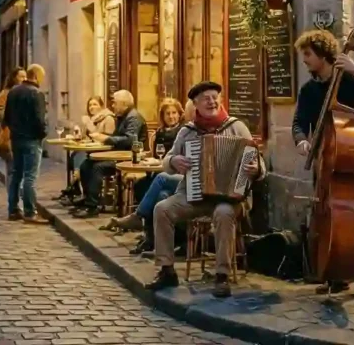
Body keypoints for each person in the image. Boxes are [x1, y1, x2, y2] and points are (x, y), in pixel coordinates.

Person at [291, 28, 354, 302]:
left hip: (350, 160)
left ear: (323, 54)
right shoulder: (310, 89)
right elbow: (299, 123)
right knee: (327, 219)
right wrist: (301, 141)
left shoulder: (349, 80)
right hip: (324, 161)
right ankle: (336, 275)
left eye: (308, 54)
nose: (305, 60)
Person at [146, 81, 264, 298]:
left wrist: (255, 169)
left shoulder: (236, 126)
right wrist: (175, 161)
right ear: (196, 105)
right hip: (194, 194)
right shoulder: (187, 131)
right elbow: (166, 161)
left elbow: (258, 163)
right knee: (162, 209)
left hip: (229, 197)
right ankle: (167, 270)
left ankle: (222, 275)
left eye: (214, 97)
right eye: (206, 98)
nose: (211, 101)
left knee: (224, 212)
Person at [108, 98, 186, 252]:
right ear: (162, 116)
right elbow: (158, 154)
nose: (171, 117)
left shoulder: (183, 133)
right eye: (167, 114)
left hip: (175, 176)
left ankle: (139, 220)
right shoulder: (160, 132)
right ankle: (152, 238)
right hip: (161, 173)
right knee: (153, 190)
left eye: (174, 113)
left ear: (180, 114)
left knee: (159, 185)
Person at [72, 90, 147, 218]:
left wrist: (105, 139)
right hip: (119, 154)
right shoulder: (122, 117)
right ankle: (88, 198)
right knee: (86, 164)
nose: (113, 105)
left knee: (97, 168)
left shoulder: (133, 117)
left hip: (130, 158)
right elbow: (118, 137)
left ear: (124, 103)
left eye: (115, 103)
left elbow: (129, 140)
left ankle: (92, 207)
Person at [2, 64, 49, 224]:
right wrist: (42, 134)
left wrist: (15, 131)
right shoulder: (37, 94)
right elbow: (39, 120)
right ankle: (30, 212)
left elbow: (6, 117)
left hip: (16, 139)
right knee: (30, 176)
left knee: (17, 174)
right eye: (42, 77)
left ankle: (13, 209)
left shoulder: (13, 92)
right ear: (36, 76)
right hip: (31, 139)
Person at [59, 96, 116, 201]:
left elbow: (106, 138)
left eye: (95, 104)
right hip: (92, 149)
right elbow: (87, 138)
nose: (91, 107)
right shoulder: (93, 119)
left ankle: (76, 184)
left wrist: (89, 124)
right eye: (90, 105)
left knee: (81, 157)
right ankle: (77, 188)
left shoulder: (108, 118)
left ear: (101, 106)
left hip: (104, 151)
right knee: (73, 156)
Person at [0, 68, 26, 175]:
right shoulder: (5, 93)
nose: (24, 79)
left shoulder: (27, 93)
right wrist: (12, 115)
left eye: (25, 76)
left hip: (24, 137)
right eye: (21, 76)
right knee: (12, 171)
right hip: (9, 137)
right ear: (14, 78)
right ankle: (12, 192)